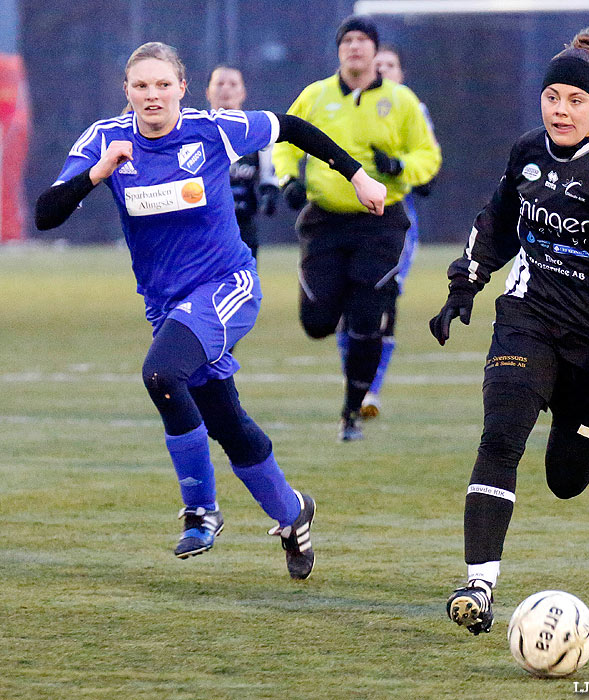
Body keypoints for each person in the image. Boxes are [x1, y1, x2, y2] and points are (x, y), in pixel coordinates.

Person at [34, 42, 386, 579]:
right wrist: (97, 173)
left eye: (162, 85)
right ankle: (293, 515)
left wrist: (357, 176)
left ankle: (201, 511)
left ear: (182, 89)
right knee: (227, 422)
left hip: (228, 285)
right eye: (141, 86)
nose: (152, 95)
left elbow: (291, 127)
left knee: (161, 372)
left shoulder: (213, 129)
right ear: (126, 93)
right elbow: (46, 214)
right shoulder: (104, 140)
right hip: (167, 307)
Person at [429, 28, 589, 635]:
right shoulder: (526, 152)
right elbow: (497, 221)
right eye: (553, 98)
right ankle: (478, 586)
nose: (562, 111)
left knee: (565, 481)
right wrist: (465, 283)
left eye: (576, 100)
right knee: (500, 439)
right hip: (529, 317)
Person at [273, 15, 441, 441]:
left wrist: (400, 166)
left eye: (363, 40)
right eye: (347, 40)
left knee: (367, 322)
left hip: (380, 223)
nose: (355, 47)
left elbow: (429, 157)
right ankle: (342, 294)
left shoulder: (402, 101)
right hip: (325, 221)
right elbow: (285, 139)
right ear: (339, 50)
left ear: (374, 50)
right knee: (317, 322)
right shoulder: (316, 96)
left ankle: (352, 409)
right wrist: (288, 179)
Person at [336, 43, 440, 420]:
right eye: (377, 64)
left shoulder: (412, 110)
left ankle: (369, 391)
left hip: (394, 222)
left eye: (390, 65)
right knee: (347, 303)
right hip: (346, 221)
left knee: (384, 297)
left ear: (400, 73)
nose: (382, 69)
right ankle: (356, 386)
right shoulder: (343, 104)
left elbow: (428, 176)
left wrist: (397, 166)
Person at [206, 65, 279, 261]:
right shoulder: (197, 132)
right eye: (219, 83)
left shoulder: (256, 133)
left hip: (243, 229)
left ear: (243, 92)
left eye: (233, 84)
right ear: (208, 92)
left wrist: (270, 194)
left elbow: (269, 177)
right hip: (203, 229)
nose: (226, 89)